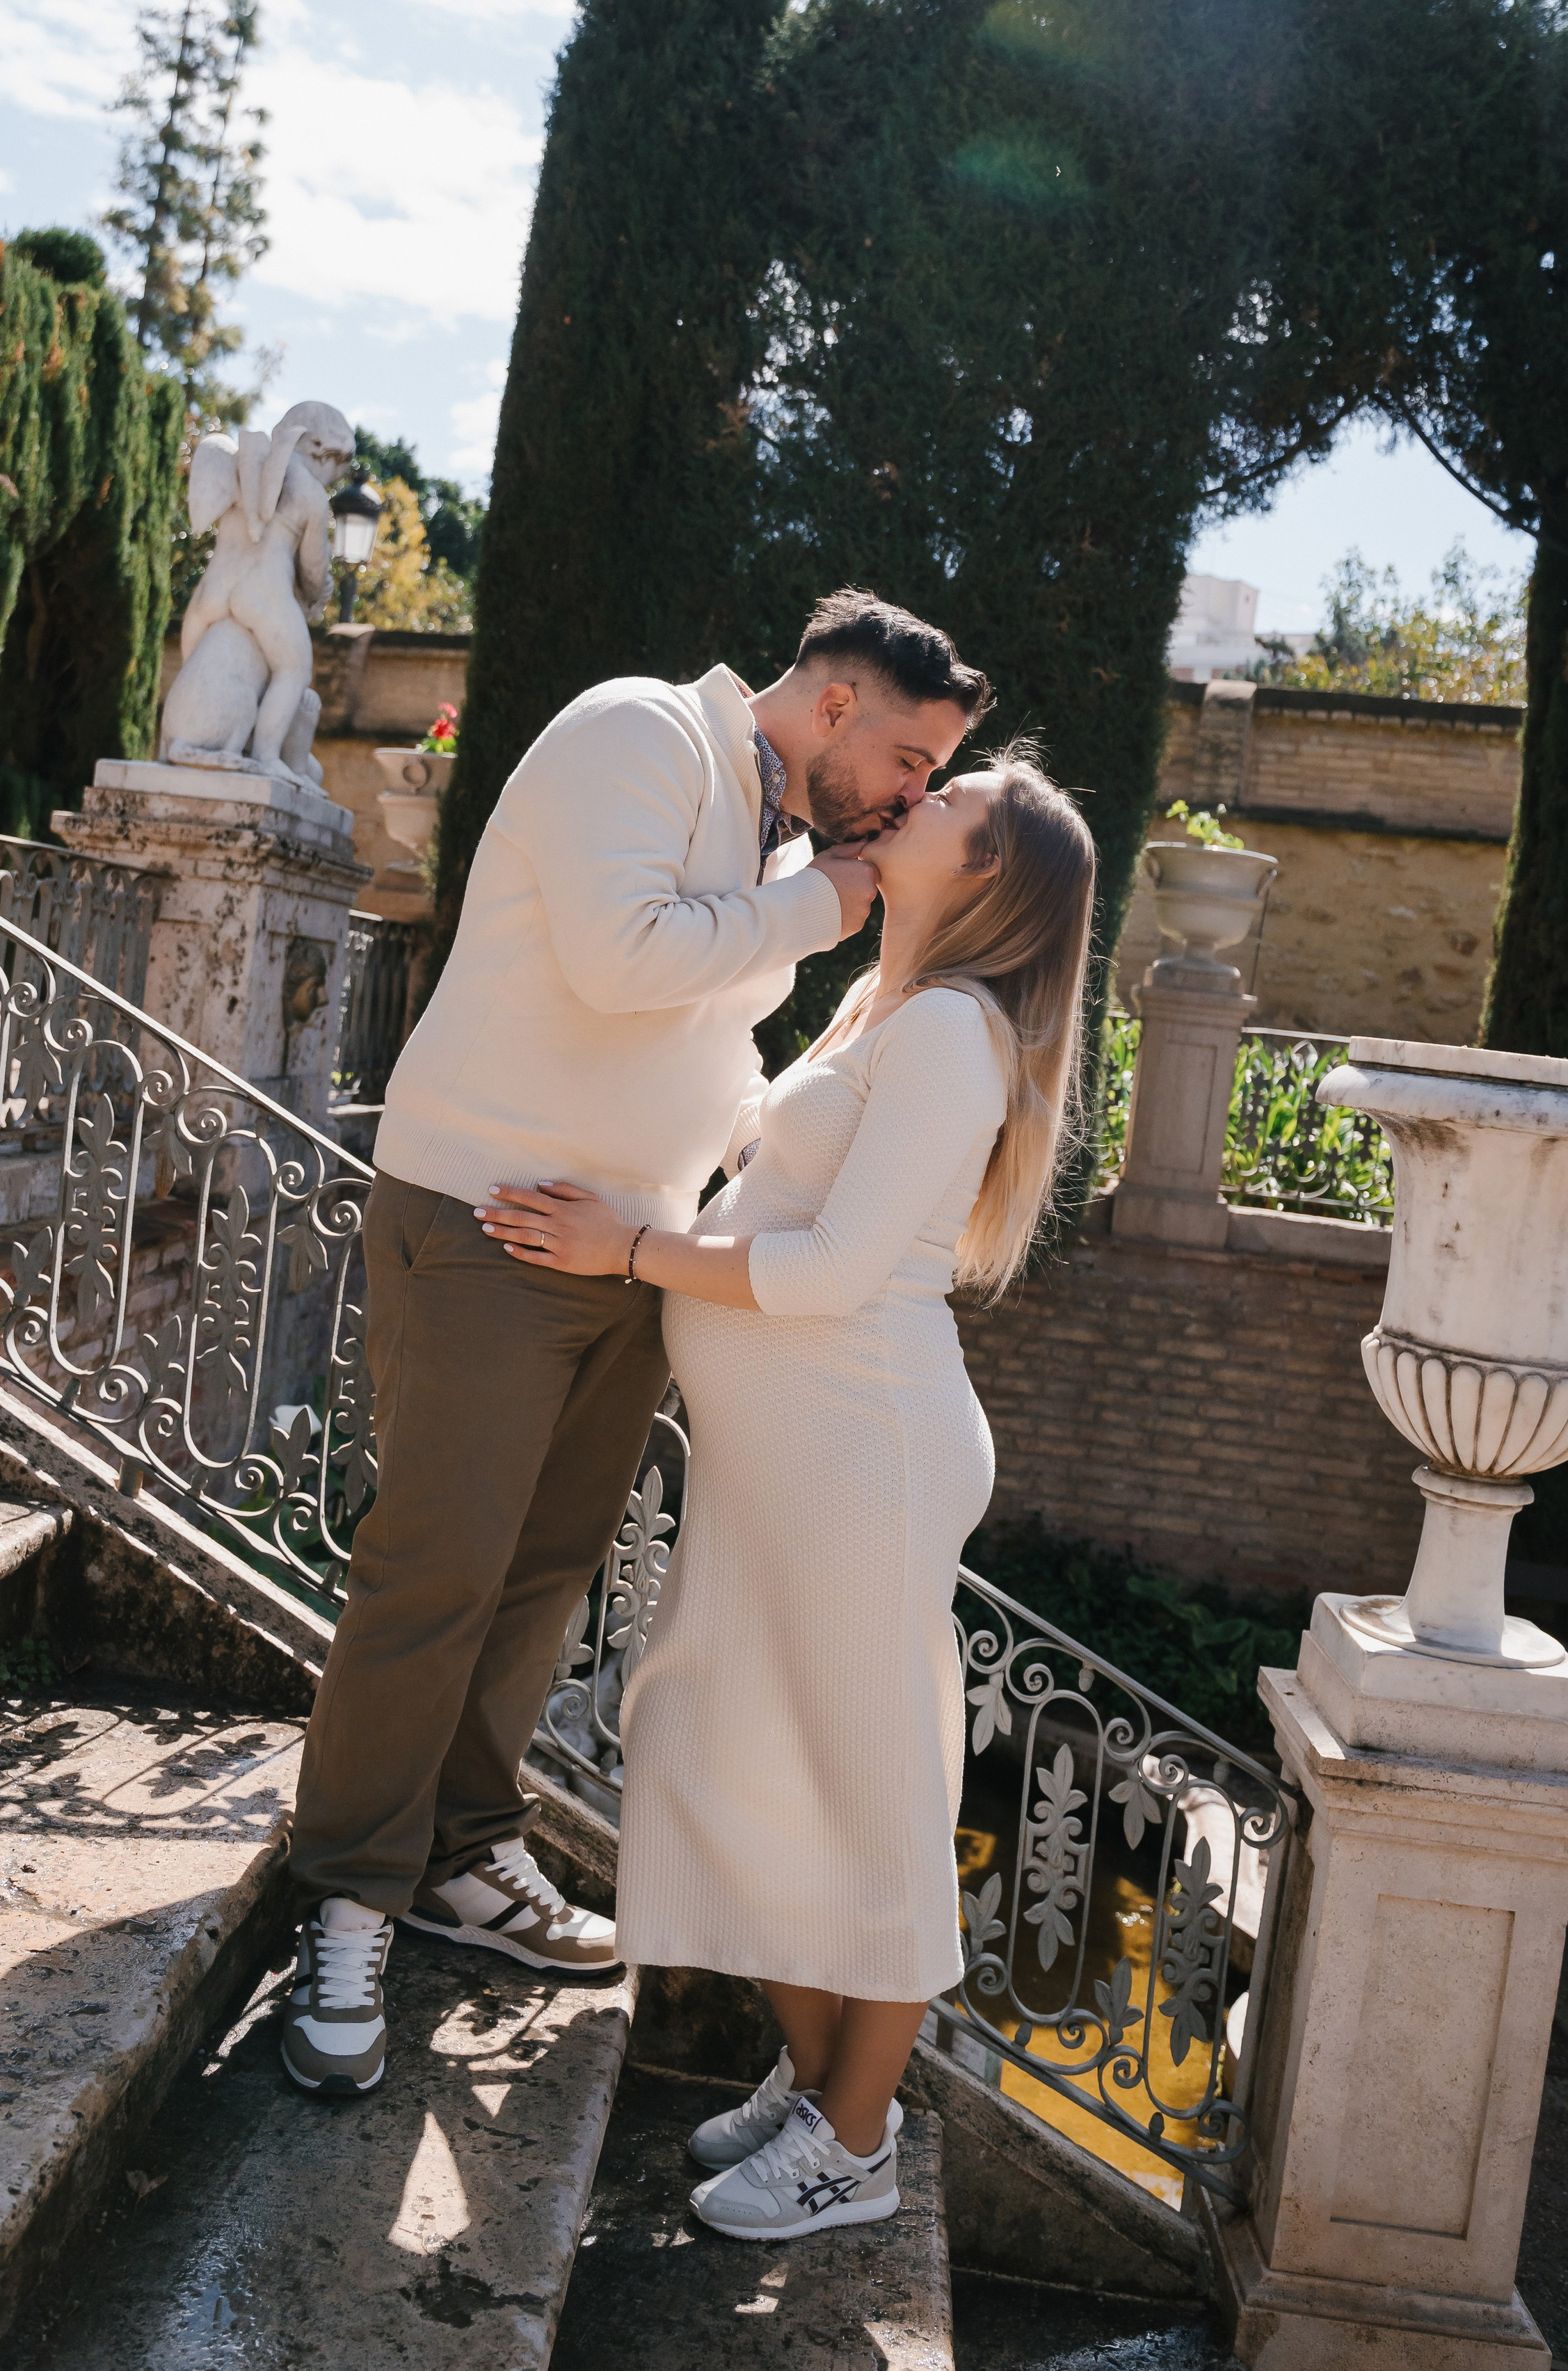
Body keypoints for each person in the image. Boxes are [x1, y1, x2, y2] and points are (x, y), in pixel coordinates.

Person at [281, 590, 992, 2096]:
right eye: (913, 760)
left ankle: (466, 1856)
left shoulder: (770, 834)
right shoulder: (640, 730)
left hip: (623, 1249)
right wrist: (824, 908)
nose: (911, 799)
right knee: (438, 1562)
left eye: (930, 783)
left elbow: (690, 1027)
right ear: (839, 708)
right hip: (486, 1221)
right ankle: (346, 1898)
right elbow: (619, 958)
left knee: (541, 1573)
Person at [479, 742, 1096, 2240]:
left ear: (988, 872)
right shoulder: (884, 1005)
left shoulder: (951, 1033)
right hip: (785, 1459)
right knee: (704, 1736)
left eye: (947, 803)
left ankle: (858, 2142)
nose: (915, 797)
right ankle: (817, 2088)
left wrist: (624, 1253)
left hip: (861, 1452)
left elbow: (823, 1274)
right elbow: (757, 1189)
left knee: (867, 1790)